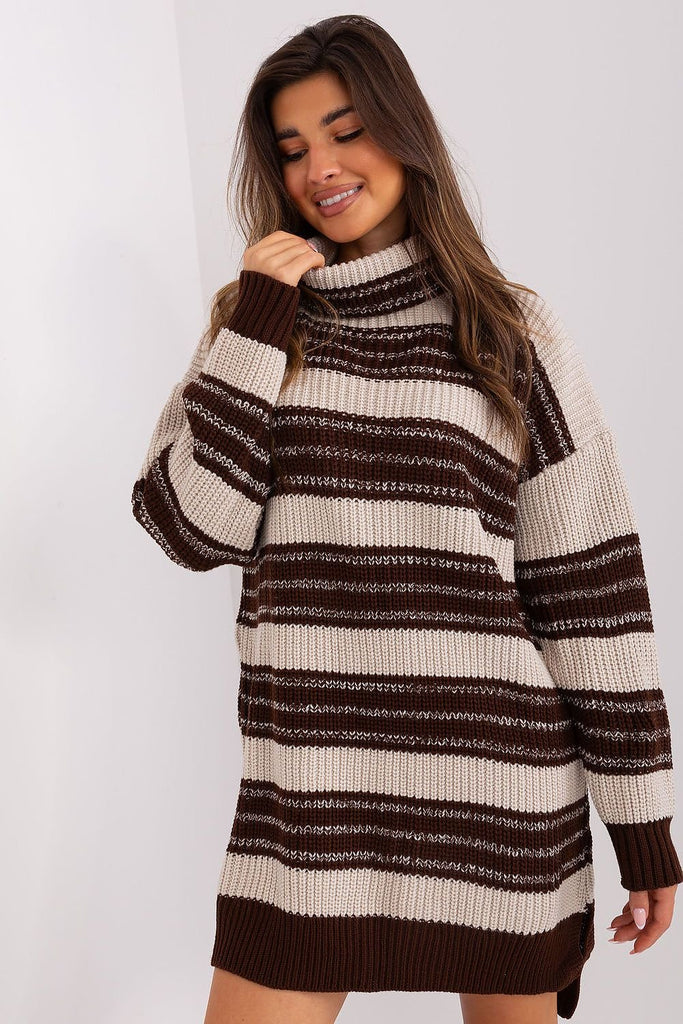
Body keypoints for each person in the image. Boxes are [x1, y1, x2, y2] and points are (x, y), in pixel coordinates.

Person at [130, 14, 682, 1024]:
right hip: (309, 815)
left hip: (499, 806)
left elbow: (590, 595)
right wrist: (259, 322)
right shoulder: (251, 324)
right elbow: (192, 528)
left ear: (403, 131)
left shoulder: (508, 331)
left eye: (346, 132)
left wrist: (642, 829)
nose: (320, 169)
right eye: (291, 148)